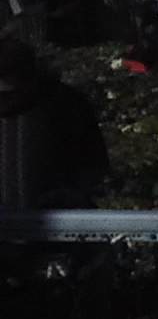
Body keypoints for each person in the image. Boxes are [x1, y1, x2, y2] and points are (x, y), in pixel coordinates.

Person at [0, 37, 105, 211]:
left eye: (9, 93)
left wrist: (69, 193)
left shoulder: (65, 105)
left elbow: (94, 165)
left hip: (57, 222)